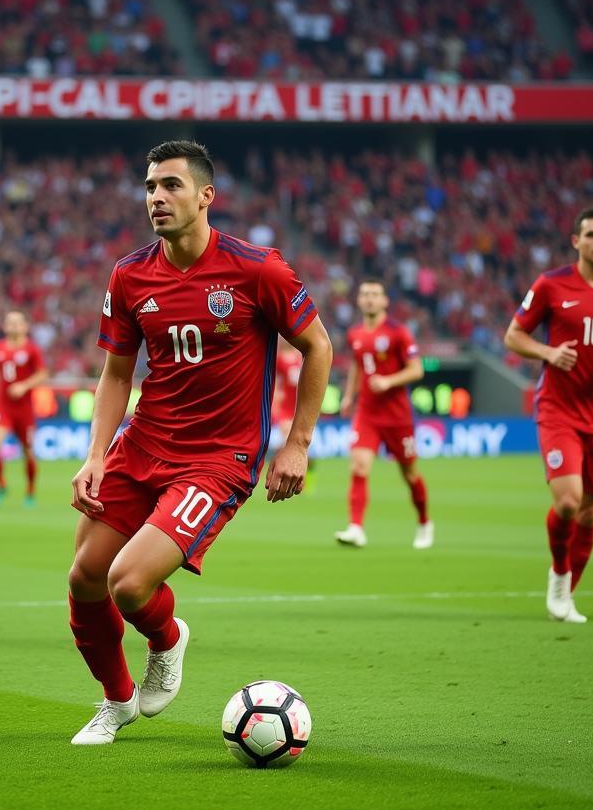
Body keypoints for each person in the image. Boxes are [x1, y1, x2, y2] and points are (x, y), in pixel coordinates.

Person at [66, 140, 333, 746]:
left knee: (129, 583)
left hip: (217, 458)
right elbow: (115, 374)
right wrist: (96, 457)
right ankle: (116, 702)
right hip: (143, 442)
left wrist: (298, 445)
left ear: (206, 196)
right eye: (149, 188)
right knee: (84, 577)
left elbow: (318, 346)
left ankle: (167, 638)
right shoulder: (130, 274)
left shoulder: (257, 268)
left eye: (170, 186)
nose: (156, 198)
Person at [504, 207, 593, 623]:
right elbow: (514, 335)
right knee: (568, 502)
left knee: (590, 512)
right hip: (558, 409)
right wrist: (549, 352)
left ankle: (566, 592)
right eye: (591, 234)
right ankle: (559, 574)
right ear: (576, 241)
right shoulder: (551, 284)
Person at [334, 279, 432, 550]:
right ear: (358, 300)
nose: (369, 299)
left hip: (397, 416)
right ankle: (356, 528)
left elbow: (417, 370)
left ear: (385, 301)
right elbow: (356, 366)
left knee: (410, 474)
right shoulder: (355, 334)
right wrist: (349, 396)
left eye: (375, 294)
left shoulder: (399, 332)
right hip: (367, 412)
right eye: (365, 294)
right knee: (359, 466)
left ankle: (424, 521)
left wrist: (388, 382)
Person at [0, 310, 49, 507]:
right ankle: (1, 485)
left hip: (24, 409)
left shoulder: (32, 350)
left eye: (17, 323)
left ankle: (30, 491)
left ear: (25, 327)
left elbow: (42, 374)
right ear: (4, 326)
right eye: (9, 322)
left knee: (28, 451)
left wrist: (23, 386)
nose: (13, 326)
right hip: (2, 405)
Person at [272, 340, 316, 491]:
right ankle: (277, 479)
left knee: (306, 451)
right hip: (285, 409)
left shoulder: (301, 357)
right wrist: (275, 405)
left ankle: (306, 483)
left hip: (300, 408)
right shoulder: (279, 358)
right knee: (287, 444)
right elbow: (276, 383)